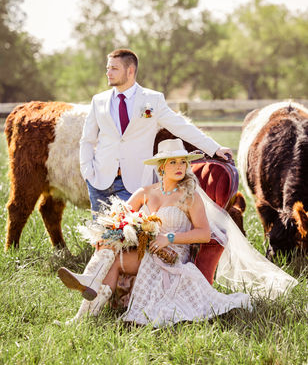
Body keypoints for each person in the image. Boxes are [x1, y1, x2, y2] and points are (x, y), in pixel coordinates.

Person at [57, 139, 257, 326]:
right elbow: (119, 218)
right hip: (146, 249)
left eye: (182, 162)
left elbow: (204, 234)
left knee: (113, 260)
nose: (179, 167)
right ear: (161, 167)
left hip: (171, 255)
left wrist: (168, 237)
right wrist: (107, 235)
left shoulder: (190, 196)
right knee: (109, 248)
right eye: (173, 162)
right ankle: (81, 317)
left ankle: (88, 282)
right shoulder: (145, 192)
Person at [79, 48, 232, 213]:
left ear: (130, 71)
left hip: (135, 182)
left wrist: (214, 148)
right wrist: (87, 171)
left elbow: (181, 126)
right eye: (107, 68)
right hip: (100, 181)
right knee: (100, 236)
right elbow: (87, 140)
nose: (108, 73)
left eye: (114, 68)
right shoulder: (98, 101)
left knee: (130, 234)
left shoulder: (152, 99)